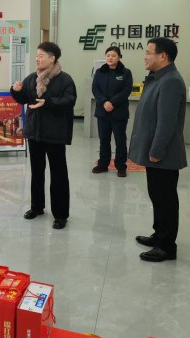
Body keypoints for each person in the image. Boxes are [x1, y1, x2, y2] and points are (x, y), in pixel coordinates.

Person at [129, 37, 187, 262]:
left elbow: (167, 123)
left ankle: (166, 246)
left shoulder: (171, 81)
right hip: (156, 152)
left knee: (166, 200)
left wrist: (157, 150)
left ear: (163, 56)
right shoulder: (159, 78)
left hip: (163, 154)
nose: (144, 56)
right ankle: (159, 234)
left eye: (148, 52)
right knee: (157, 196)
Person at [11, 42, 76, 229]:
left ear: (52, 58)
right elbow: (23, 98)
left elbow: (69, 101)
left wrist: (47, 103)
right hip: (35, 133)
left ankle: (61, 214)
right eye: (36, 55)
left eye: (41, 55)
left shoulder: (64, 79)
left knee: (58, 175)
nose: (37, 59)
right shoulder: (32, 78)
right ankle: (37, 207)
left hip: (55, 134)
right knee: (37, 172)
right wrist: (15, 90)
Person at [91, 46, 133, 177]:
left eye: (113, 55)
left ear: (119, 57)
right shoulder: (99, 72)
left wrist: (112, 102)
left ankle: (121, 166)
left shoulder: (126, 72)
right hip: (103, 112)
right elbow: (95, 89)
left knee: (120, 140)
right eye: (108, 55)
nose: (110, 58)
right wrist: (104, 102)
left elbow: (127, 90)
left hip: (119, 112)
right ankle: (103, 164)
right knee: (104, 139)